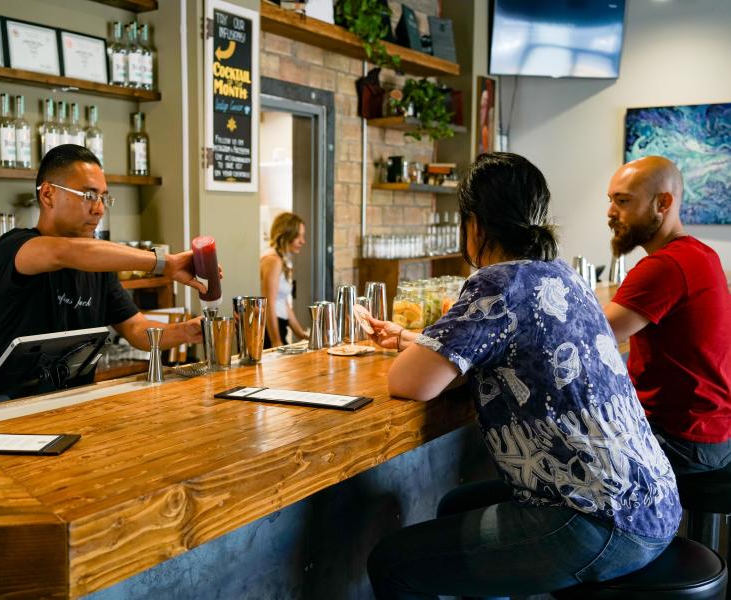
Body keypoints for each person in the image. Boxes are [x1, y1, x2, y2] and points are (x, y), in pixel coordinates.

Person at [365, 153, 680, 599]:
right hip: (653, 503)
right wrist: (419, 341)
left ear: (474, 225)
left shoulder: (497, 282)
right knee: (456, 505)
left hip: (597, 520)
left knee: (393, 562)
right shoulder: (563, 275)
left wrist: (420, 349)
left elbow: (410, 383)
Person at [0, 144, 206, 394]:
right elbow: (66, 252)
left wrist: (187, 331)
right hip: (4, 408)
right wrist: (164, 263)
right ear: (47, 194)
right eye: (88, 196)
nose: (99, 209)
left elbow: (137, 330)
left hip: (72, 404)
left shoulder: (98, 266)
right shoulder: (13, 248)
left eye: (103, 198)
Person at [604, 155, 731, 475]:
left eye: (623, 201)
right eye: (611, 201)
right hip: (715, 432)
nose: (610, 213)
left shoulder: (665, 267)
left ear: (663, 203)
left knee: (560, 457)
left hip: (684, 440)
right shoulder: (702, 254)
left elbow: (590, 337)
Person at [260, 212, 308, 348]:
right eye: (298, 236)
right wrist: (276, 341)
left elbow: (283, 301)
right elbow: (268, 303)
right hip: (269, 331)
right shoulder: (273, 260)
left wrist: (300, 333)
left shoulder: (281, 259)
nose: (302, 241)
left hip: (280, 325)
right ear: (286, 235)